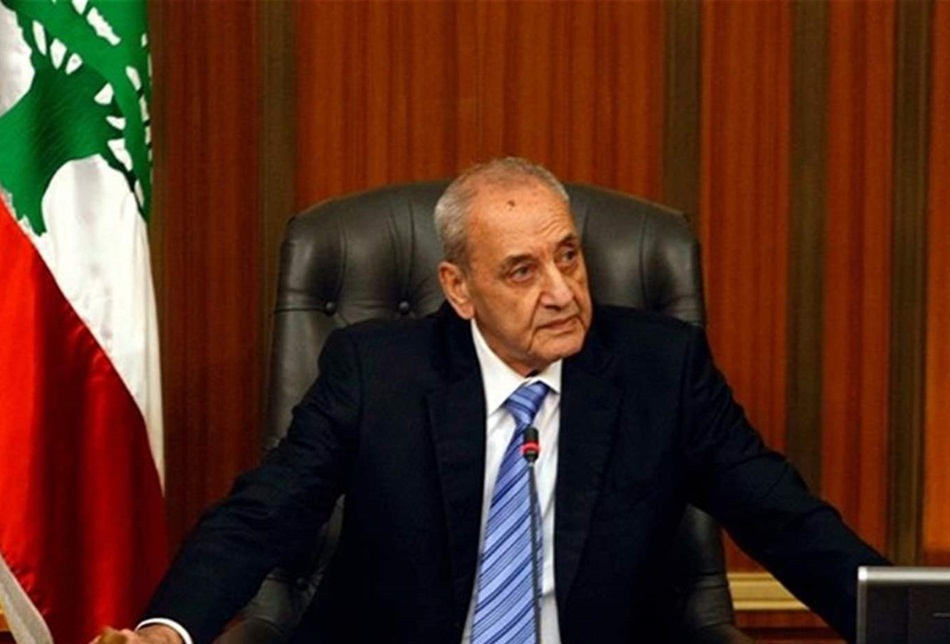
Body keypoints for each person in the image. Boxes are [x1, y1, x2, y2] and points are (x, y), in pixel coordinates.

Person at [111, 158, 887, 644]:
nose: (563, 292)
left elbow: (783, 518)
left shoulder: (659, 369)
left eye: (569, 256)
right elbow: (266, 511)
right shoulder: (377, 372)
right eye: (522, 271)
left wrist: (910, 623)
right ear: (458, 290)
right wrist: (168, 631)